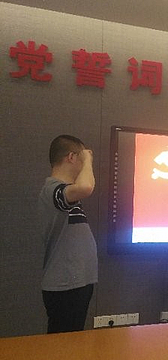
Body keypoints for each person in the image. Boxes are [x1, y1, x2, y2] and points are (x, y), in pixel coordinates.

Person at [38, 135, 98, 333]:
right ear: (72, 157)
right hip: (64, 285)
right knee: (62, 345)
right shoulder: (52, 190)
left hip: (78, 282)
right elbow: (86, 187)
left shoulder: (65, 193)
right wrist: (88, 159)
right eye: (81, 158)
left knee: (72, 342)